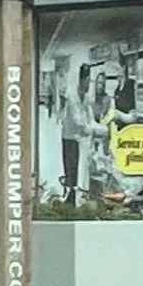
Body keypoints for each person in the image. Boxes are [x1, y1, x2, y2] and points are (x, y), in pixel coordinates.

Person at [60, 63, 94, 206]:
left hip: (81, 138)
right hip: (69, 136)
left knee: (79, 168)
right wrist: (88, 127)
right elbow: (76, 118)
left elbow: (89, 114)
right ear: (82, 80)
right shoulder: (72, 95)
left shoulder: (86, 96)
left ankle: (77, 197)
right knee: (70, 167)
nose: (89, 84)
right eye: (87, 80)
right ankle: (70, 198)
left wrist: (93, 125)